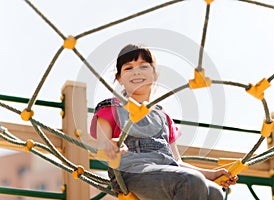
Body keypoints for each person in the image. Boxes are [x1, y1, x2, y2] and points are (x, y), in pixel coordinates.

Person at [90, 44, 238, 200]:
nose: (136, 71)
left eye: (143, 66)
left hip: (167, 172)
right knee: (190, 181)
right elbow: (102, 144)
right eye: (128, 68)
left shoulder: (162, 116)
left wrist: (212, 174)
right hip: (133, 171)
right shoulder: (111, 107)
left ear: (155, 74)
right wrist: (112, 147)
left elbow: (176, 161)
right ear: (119, 78)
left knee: (214, 192)